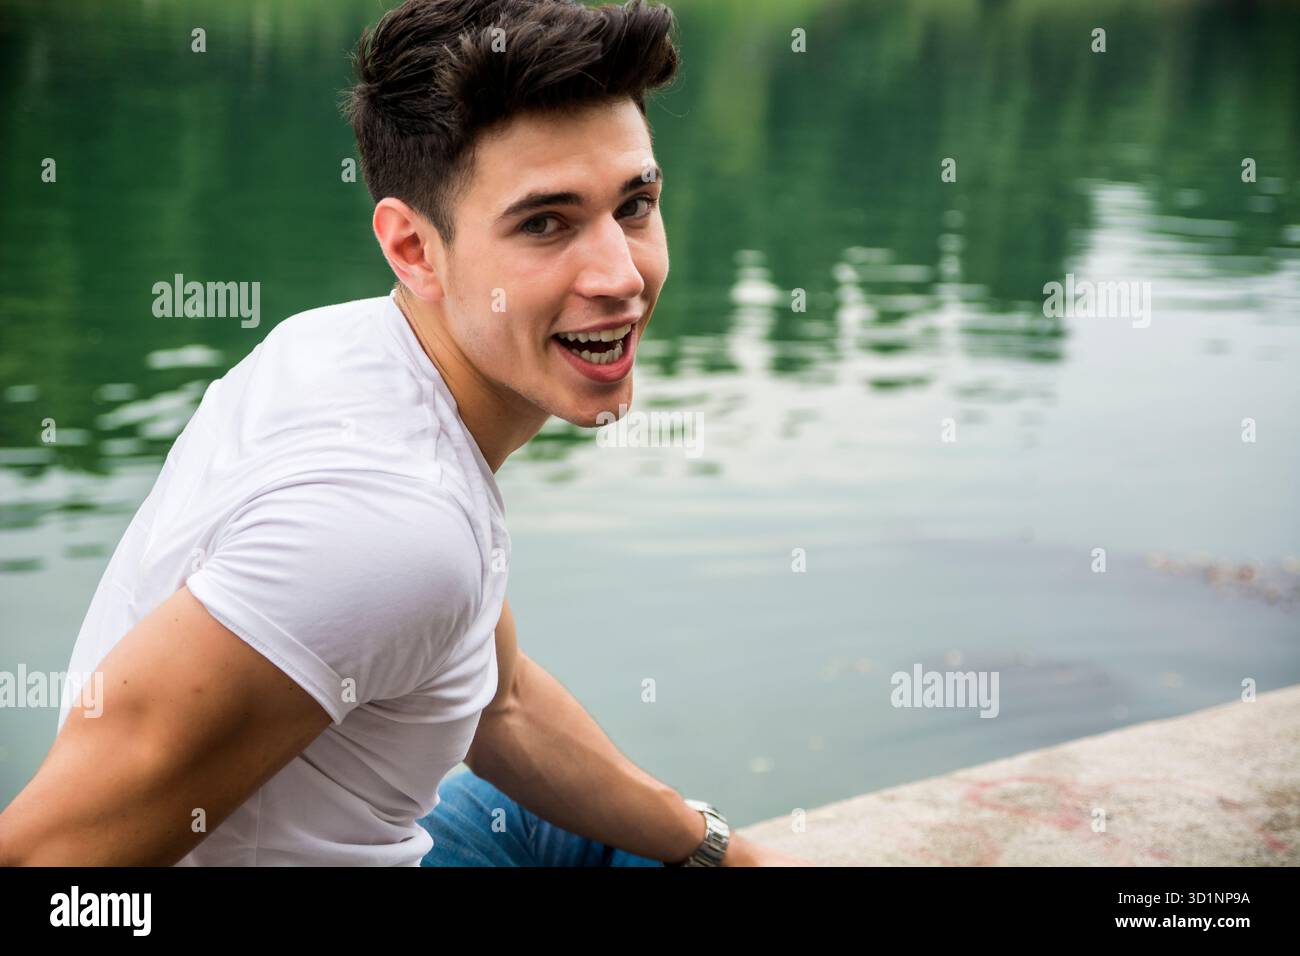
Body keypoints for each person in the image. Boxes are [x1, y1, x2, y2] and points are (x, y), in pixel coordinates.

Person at [0, 0, 810, 867]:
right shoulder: (390, 531)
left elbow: (501, 704)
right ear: (416, 250)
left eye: (635, 204)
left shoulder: (351, 350)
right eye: (546, 223)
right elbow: (46, 860)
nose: (621, 275)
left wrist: (723, 851)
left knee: (599, 830)